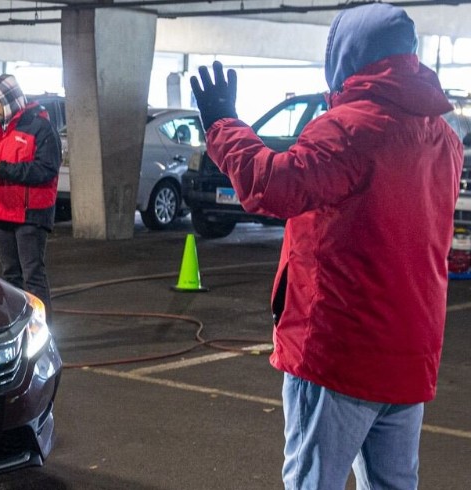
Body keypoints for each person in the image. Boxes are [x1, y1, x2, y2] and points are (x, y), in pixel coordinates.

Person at [190, 4, 462, 489]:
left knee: (313, 481)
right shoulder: (442, 135)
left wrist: (223, 125)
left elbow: (272, 187)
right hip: (409, 351)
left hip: (340, 350)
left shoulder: (351, 128)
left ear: (346, 56)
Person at [0, 74, 63, 316]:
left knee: (33, 276)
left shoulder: (40, 126)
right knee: (11, 277)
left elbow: (47, 168)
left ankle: (43, 332)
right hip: (0, 211)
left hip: (29, 214)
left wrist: (5, 169)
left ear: (10, 100)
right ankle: (16, 329)